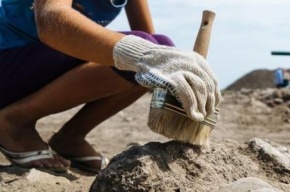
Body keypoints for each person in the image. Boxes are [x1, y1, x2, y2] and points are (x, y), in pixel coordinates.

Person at [0, 0, 221, 173]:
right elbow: (51, 21)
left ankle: (70, 137)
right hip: (7, 60)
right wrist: (147, 56)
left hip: (35, 66)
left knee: (160, 46)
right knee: (148, 52)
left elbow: (152, 41)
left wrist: (177, 77)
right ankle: (14, 122)